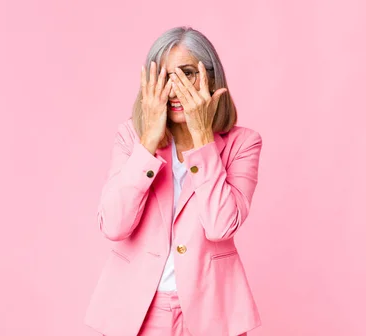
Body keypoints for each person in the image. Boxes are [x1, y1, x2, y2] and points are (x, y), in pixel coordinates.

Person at [84, 26, 262, 336]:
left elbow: (220, 225)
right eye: (165, 77)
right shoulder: (130, 138)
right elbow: (113, 225)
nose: (175, 89)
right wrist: (148, 142)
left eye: (187, 74)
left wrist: (203, 137)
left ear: (211, 77)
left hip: (211, 315)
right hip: (135, 314)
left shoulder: (243, 144)